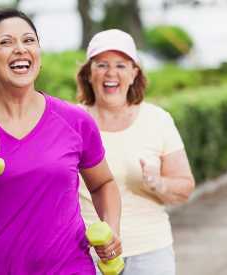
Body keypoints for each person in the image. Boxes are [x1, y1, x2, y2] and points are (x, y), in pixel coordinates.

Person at [0, 8, 122, 274]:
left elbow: (103, 183)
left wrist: (110, 228)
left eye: (28, 41)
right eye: (6, 42)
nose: (20, 49)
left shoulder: (75, 121)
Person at [76, 29, 195, 275]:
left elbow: (185, 187)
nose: (111, 73)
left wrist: (158, 183)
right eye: (102, 64)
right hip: (87, 252)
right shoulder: (72, 121)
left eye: (121, 65)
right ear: (89, 73)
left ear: (134, 73)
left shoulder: (157, 120)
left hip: (150, 252)